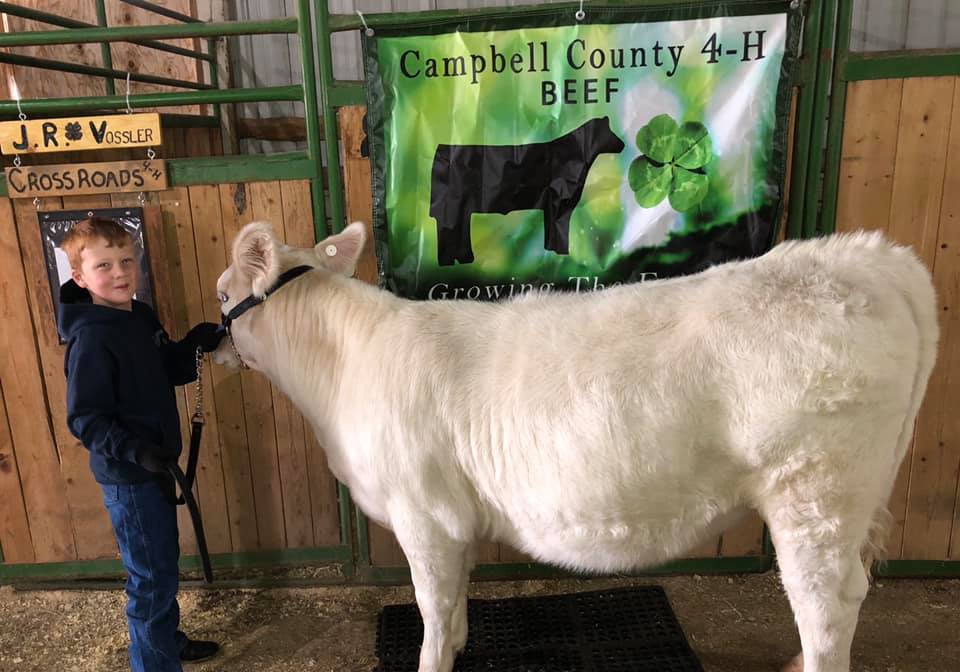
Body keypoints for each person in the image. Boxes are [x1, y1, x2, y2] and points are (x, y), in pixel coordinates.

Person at [58, 216, 225, 671]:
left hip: (154, 468)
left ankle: (165, 641)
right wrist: (137, 451)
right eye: (104, 265)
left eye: (127, 260)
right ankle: (154, 664)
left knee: (161, 563)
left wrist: (193, 345)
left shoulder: (139, 316)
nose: (119, 273)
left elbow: (166, 369)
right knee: (151, 578)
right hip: (131, 476)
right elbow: (86, 420)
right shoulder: (90, 338)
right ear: (79, 277)